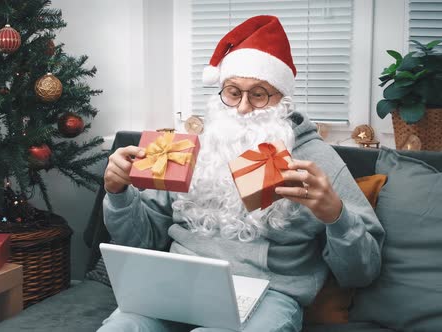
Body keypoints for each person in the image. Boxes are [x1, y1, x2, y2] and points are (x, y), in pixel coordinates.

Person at [99, 15, 384, 332]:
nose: (244, 108)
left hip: (269, 296)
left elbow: (363, 272)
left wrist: (337, 216)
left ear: (282, 100)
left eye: (259, 94)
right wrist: (118, 193)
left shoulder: (316, 159)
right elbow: (141, 242)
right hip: (177, 286)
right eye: (234, 92)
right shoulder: (185, 149)